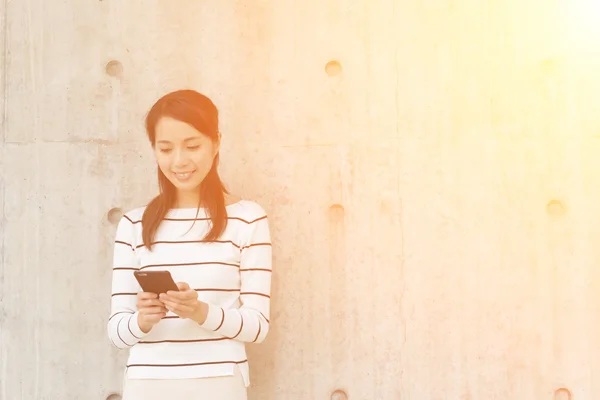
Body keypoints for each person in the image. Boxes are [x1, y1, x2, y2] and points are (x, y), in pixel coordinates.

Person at [107, 89, 272, 400]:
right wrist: (142, 320)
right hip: (147, 384)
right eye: (165, 149)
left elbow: (257, 327)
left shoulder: (247, 219)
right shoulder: (133, 224)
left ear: (216, 142)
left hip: (220, 382)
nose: (179, 161)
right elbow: (117, 332)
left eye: (192, 145)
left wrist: (199, 311)